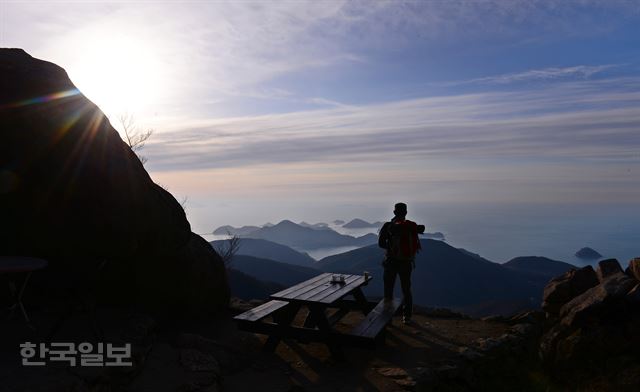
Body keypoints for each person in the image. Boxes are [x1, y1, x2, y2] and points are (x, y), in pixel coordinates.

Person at [378, 202, 421, 324]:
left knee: (388, 290)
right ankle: (407, 317)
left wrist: (391, 248)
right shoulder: (410, 227)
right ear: (406, 212)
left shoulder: (389, 226)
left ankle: (388, 319)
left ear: (394, 212)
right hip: (406, 263)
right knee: (406, 289)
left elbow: (381, 243)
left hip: (390, 261)